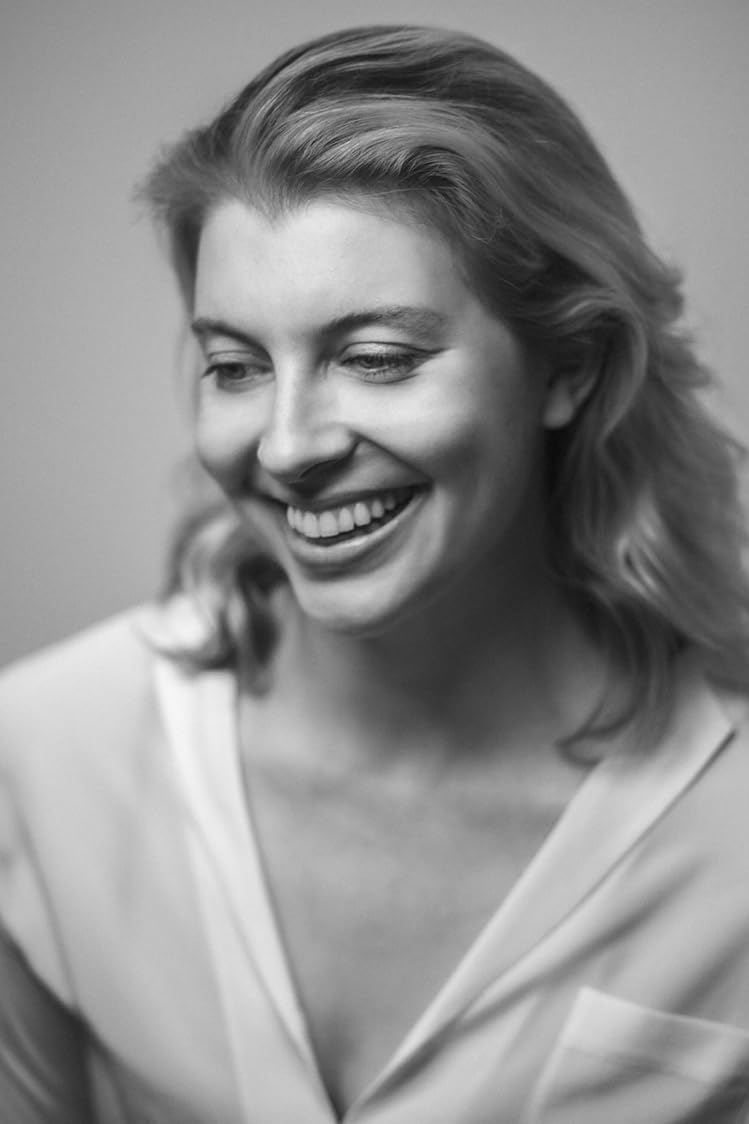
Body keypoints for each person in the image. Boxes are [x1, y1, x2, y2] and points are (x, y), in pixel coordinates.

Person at [2, 23, 749, 1124]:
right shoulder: (40, 759)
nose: (287, 446)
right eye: (234, 366)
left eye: (375, 358)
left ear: (570, 368)